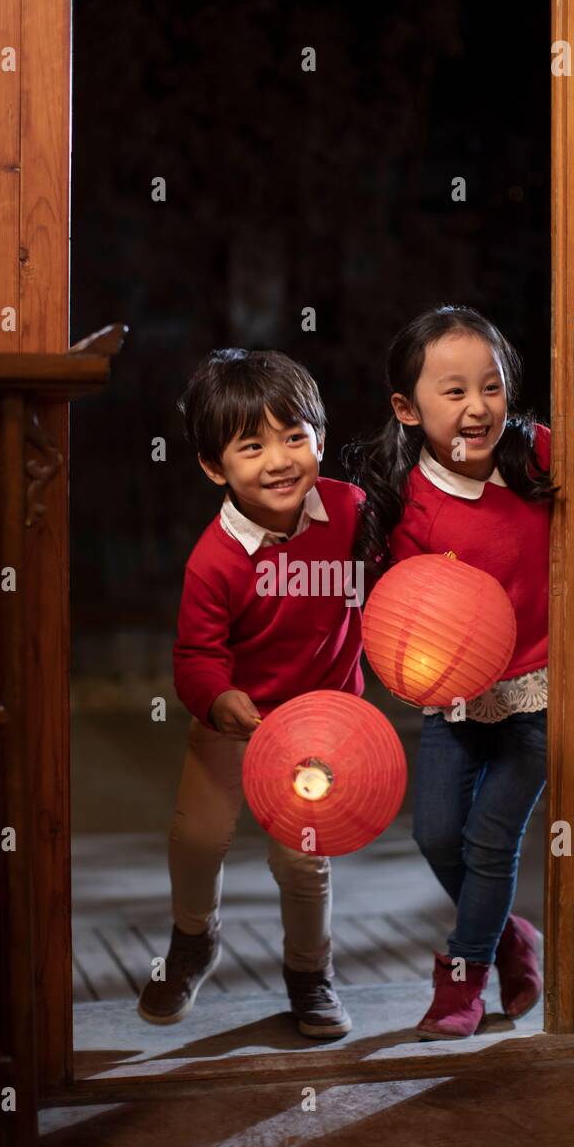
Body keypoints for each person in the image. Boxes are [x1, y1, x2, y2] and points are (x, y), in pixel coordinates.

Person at [137, 348, 364, 1037]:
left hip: (316, 728)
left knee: (301, 858)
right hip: (234, 722)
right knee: (197, 840)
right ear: (215, 467)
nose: (280, 460)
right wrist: (217, 698)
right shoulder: (214, 560)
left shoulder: (352, 512)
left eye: (296, 436)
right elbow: (195, 656)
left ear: (320, 438)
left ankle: (309, 973)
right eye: (252, 445)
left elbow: (416, 564)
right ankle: (194, 939)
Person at [344, 304, 557, 1039]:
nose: (478, 407)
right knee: (436, 836)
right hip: (458, 701)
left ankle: (460, 981)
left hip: (539, 691)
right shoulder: (407, 502)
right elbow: (402, 612)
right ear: (407, 408)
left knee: (491, 842)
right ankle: (512, 940)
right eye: (454, 390)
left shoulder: (541, 460)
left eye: (492, 387)